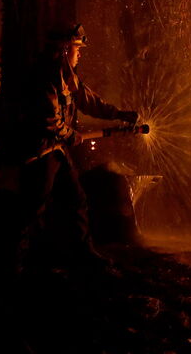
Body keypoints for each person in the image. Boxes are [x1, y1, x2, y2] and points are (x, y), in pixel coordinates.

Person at [18, 23, 138, 272]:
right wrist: (70, 134)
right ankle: (22, 264)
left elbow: (88, 101)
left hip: (55, 151)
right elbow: (48, 119)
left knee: (76, 199)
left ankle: (82, 254)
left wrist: (119, 114)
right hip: (39, 153)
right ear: (64, 49)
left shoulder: (66, 77)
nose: (80, 53)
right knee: (34, 207)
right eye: (76, 48)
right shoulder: (46, 76)